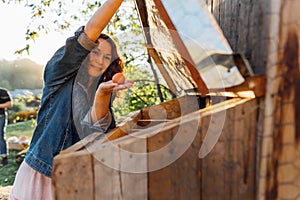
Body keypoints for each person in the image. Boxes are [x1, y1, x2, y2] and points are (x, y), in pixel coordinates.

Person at [10, 0, 132, 199]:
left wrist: (103, 93)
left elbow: (95, 127)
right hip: (42, 173)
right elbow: (88, 34)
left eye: (106, 57)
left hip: (74, 177)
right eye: (95, 52)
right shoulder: (59, 75)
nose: (100, 60)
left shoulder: (101, 90)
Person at [0, 87, 12, 167]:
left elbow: (9, 103)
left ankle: (4, 157)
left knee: (0, 136)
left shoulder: (3, 92)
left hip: (0, 117)